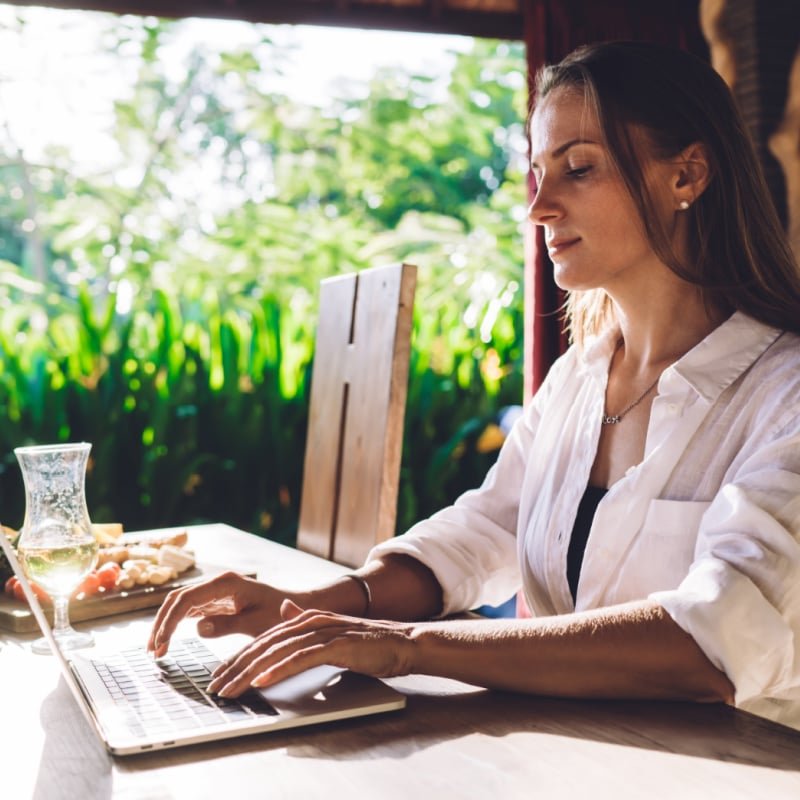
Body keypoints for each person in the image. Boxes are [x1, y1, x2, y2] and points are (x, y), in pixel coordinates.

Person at [149, 41, 800, 729]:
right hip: (571, 759)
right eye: (538, 173)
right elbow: (487, 529)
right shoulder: (581, 377)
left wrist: (405, 649)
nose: (539, 207)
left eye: (578, 169)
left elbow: (712, 641)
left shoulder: (783, 395)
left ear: (687, 176)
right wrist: (312, 606)